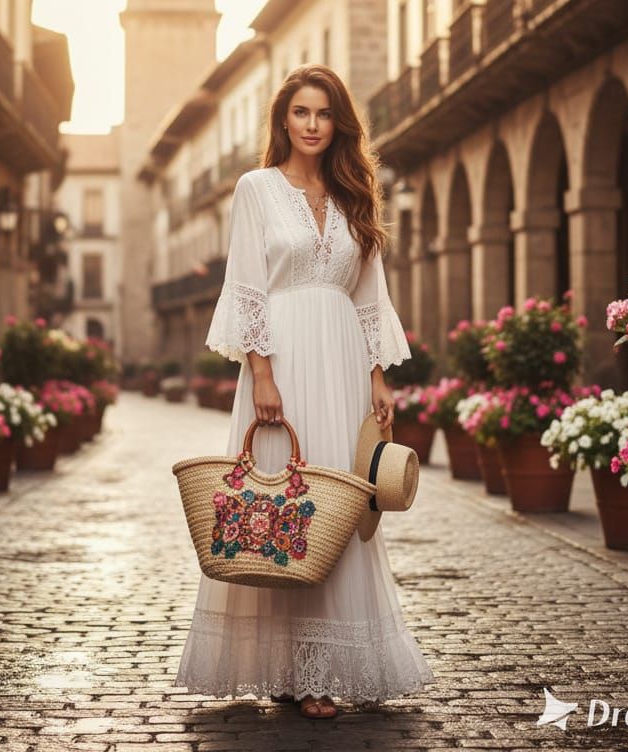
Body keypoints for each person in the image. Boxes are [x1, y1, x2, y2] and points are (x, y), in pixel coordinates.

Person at [174, 64, 435, 718]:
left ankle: (319, 668)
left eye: (323, 114)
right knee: (280, 507)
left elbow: (370, 295)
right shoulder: (256, 188)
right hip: (283, 358)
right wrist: (261, 373)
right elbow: (248, 284)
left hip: (344, 359)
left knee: (337, 508)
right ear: (283, 121)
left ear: (337, 121)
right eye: (301, 113)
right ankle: (286, 669)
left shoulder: (354, 192)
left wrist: (378, 376)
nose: (313, 125)